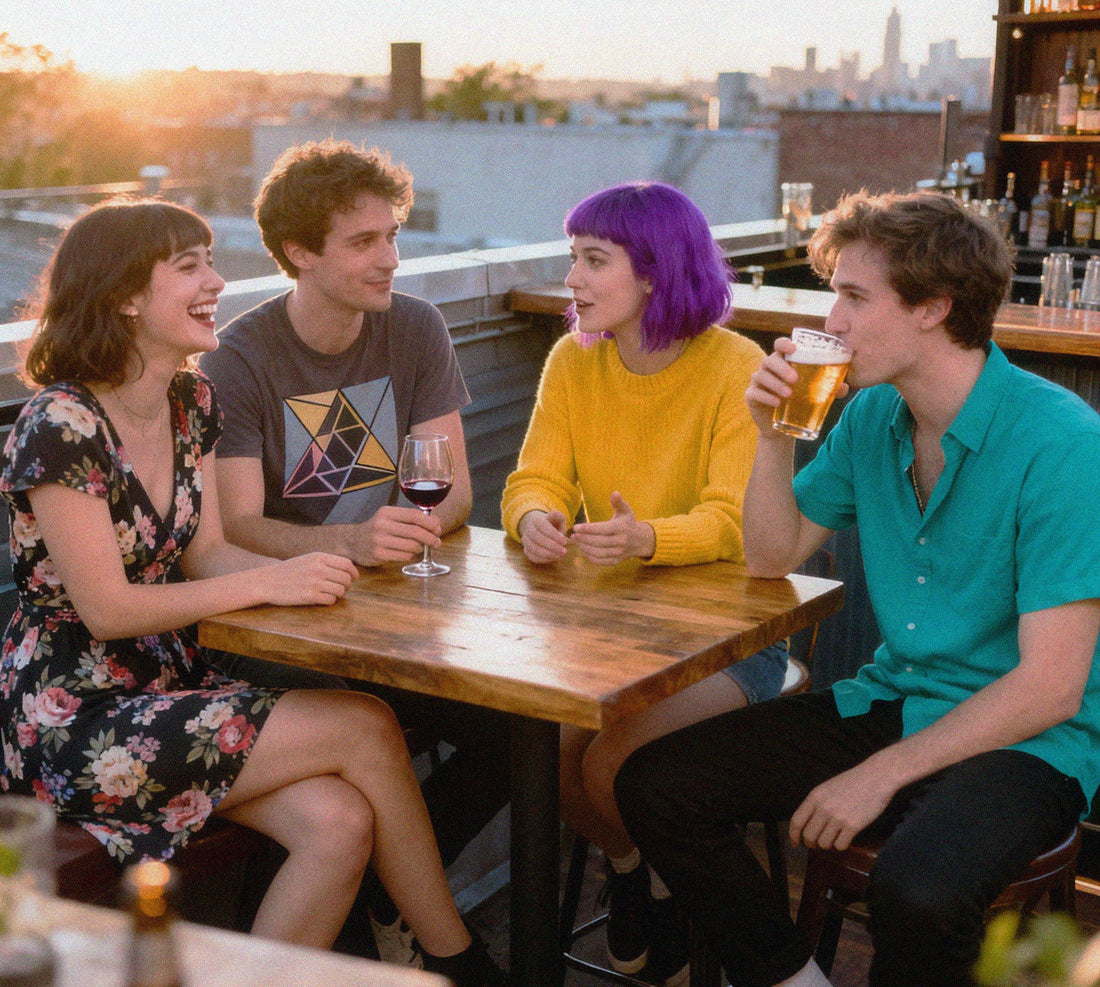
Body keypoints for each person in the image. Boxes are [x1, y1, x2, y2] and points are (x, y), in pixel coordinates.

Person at [0, 199, 507, 986]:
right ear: (127, 296)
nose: (217, 279)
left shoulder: (190, 401)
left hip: (167, 686)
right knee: (367, 725)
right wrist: (274, 578)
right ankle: (460, 962)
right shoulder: (60, 423)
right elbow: (106, 607)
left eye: (211, 259)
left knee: (340, 822)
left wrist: (316, 578)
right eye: (190, 266)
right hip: (74, 717)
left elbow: (205, 554)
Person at [614, 189, 1100, 987]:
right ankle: (792, 979)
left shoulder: (1064, 446)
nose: (828, 321)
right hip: (898, 697)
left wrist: (881, 773)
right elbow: (771, 557)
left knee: (918, 892)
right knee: (657, 785)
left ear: (933, 309)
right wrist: (771, 441)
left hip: (1027, 739)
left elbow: (1050, 688)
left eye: (851, 296)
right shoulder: (873, 416)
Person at [199, 138, 510, 965]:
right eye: (364, 242)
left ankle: (395, 890)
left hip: (398, 613)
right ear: (301, 252)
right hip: (288, 625)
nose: (391, 259)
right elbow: (234, 526)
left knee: (522, 734)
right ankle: (419, 936)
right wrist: (352, 541)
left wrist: (399, 538)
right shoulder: (238, 360)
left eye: (394, 234)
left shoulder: (414, 326)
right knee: (347, 733)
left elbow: (456, 490)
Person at [500, 182, 789, 986]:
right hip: (606, 628)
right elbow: (532, 478)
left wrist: (646, 536)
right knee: (544, 749)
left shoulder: (737, 365)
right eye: (573, 258)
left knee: (609, 766)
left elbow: (733, 521)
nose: (574, 279)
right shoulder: (573, 358)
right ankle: (636, 871)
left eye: (595, 260)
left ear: (657, 271)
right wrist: (535, 520)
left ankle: (661, 885)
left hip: (729, 638)